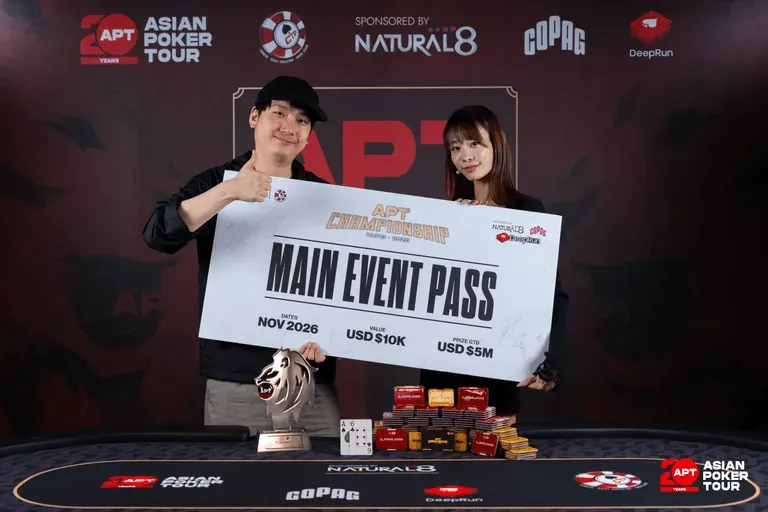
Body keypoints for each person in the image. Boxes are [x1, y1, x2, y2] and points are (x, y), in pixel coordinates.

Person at [141, 76, 340, 437]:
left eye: (301, 120)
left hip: (309, 379)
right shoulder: (216, 183)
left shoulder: (325, 198)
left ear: (308, 136)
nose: (289, 127)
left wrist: (332, 336)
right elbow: (157, 234)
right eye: (279, 113)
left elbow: (343, 285)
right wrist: (230, 191)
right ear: (254, 117)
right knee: (238, 473)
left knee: (321, 472)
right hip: (236, 382)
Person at [419, 105, 569, 423]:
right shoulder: (445, 216)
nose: (465, 155)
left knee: (494, 450)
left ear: (496, 146)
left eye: (475, 143)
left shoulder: (527, 211)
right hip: (443, 365)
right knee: (438, 447)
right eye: (455, 147)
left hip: (497, 366)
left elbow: (551, 295)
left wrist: (551, 362)